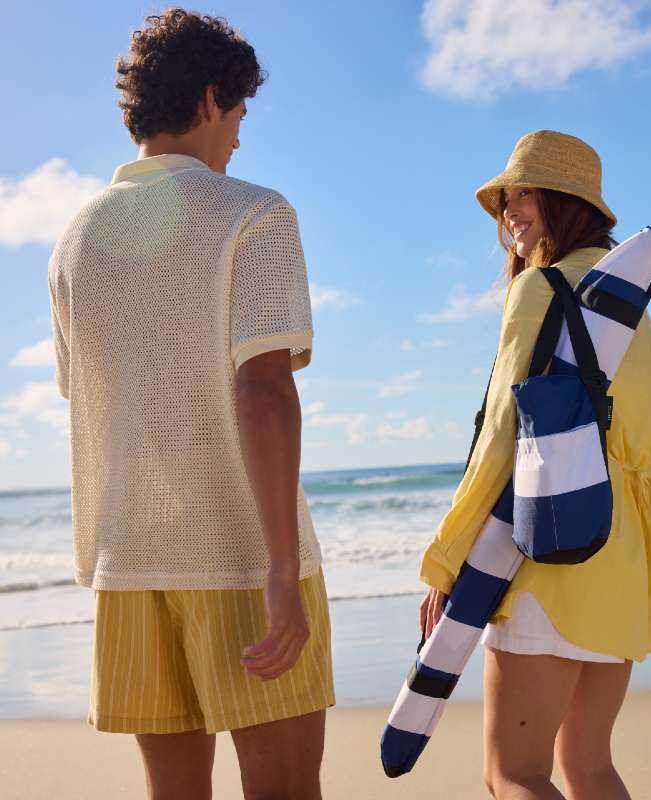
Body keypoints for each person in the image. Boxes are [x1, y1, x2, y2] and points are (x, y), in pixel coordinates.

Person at [47, 9, 334, 799]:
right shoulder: (255, 213)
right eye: (239, 113)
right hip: (239, 549)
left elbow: (100, 405)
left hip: (129, 564)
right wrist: (280, 568)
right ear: (212, 99)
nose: (239, 136)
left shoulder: (72, 243)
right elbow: (264, 390)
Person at [419, 130, 651, 800]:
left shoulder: (540, 288)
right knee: (589, 767)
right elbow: (641, 445)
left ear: (567, 200)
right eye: (507, 196)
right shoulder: (630, 307)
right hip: (621, 555)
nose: (510, 210)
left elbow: (502, 442)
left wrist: (449, 562)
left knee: (514, 773)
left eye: (525, 192)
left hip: (548, 546)